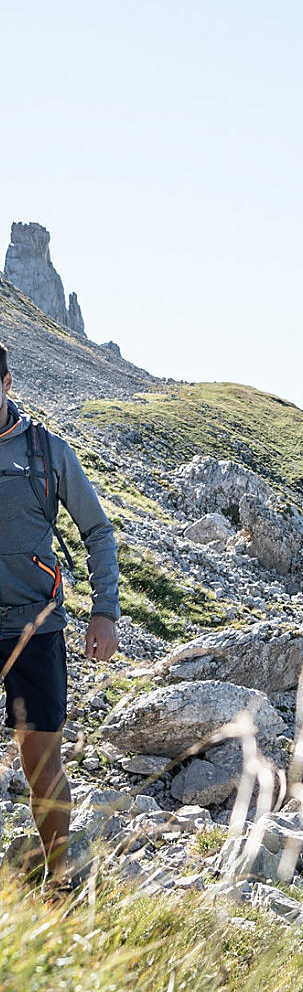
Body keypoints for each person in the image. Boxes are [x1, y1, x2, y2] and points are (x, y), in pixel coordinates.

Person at [0, 340, 121, 894]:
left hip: (38, 628)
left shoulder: (48, 453)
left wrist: (105, 611)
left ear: (5, 386)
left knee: (41, 762)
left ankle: (59, 880)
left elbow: (97, 531)